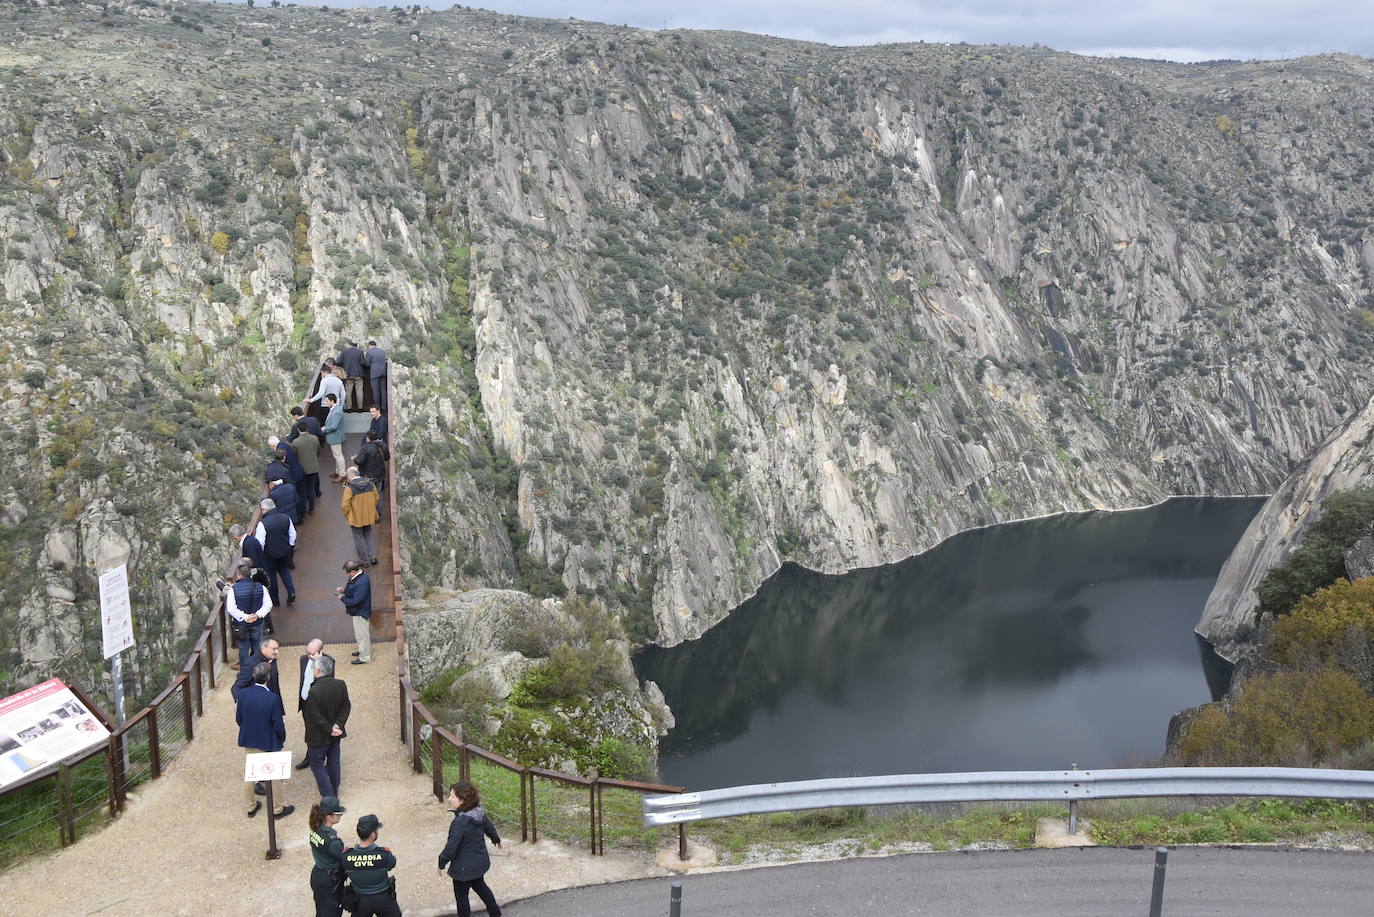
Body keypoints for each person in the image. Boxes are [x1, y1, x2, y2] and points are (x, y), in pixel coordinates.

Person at [236, 661, 294, 820]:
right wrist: (281, 738)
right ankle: (277, 808)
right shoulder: (272, 698)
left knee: (251, 774)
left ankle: (250, 806)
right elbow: (277, 723)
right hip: (268, 741)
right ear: (268, 677)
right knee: (274, 776)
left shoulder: (243, 694)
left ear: (253, 676)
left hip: (249, 739)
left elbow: (239, 718)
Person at [437, 780, 503, 917]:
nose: (449, 799)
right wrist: (495, 839)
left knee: (461, 897)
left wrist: (441, 862)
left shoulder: (460, 822)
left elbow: (451, 847)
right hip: (478, 862)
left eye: (452, 796)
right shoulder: (479, 811)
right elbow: (488, 826)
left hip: (463, 869)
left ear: (462, 800)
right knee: (481, 887)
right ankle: (496, 913)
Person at [304, 654, 350, 799]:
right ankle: (334, 793)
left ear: (317, 671)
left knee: (317, 765)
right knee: (334, 763)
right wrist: (338, 725)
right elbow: (346, 705)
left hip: (319, 737)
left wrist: (330, 728)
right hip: (335, 734)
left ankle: (329, 797)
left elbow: (316, 716)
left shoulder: (314, 691)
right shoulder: (340, 684)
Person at [342, 814, 400, 917]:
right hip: (383, 899)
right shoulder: (384, 855)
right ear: (373, 835)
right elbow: (392, 863)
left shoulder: (346, 857)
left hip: (360, 900)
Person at [224, 563, 271, 670]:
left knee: (243, 646)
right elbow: (268, 605)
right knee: (257, 645)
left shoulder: (233, 589)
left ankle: (244, 668)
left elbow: (231, 608)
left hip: (241, 624)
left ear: (239, 575)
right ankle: (258, 666)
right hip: (257, 622)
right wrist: (257, 615)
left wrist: (245, 617)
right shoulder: (261, 587)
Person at [297, 639, 334, 770]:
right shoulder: (303, 659)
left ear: (320, 652)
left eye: (312, 654)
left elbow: (326, 682)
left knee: (322, 729)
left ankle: (323, 758)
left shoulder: (329, 662)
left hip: (318, 703)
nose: (309, 656)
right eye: (308, 652)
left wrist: (317, 662)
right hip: (305, 701)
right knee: (309, 730)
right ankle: (310, 757)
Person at [309, 796, 348, 917]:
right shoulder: (333, 842)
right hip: (330, 881)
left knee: (321, 909)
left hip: (318, 875)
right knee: (332, 912)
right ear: (329, 816)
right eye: (337, 814)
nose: (340, 816)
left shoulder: (315, 829)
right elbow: (344, 859)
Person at [256, 498, 297, 606]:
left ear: (264, 510)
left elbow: (260, 542)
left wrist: (261, 556)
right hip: (284, 551)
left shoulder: (263, 524)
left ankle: (275, 600)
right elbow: (292, 534)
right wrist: (290, 547)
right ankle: (291, 592)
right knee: (284, 571)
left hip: (270, 555)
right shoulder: (286, 518)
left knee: (272, 576)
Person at [341, 466, 379, 567]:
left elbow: (345, 505)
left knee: (359, 538)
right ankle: (373, 556)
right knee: (368, 534)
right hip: (369, 515)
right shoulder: (370, 484)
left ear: (351, 475)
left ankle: (364, 561)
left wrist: (348, 515)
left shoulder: (349, 488)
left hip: (356, 517)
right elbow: (376, 498)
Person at [337, 560, 372, 665]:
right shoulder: (359, 577)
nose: (346, 575)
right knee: (359, 634)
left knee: (362, 636)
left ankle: (365, 657)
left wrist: (342, 598)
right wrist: (344, 590)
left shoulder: (361, 582)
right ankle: (362, 650)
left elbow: (356, 600)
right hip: (358, 611)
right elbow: (353, 590)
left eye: (347, 573)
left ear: (353, 571)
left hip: (360, 611)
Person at [232, 636, 282, 702]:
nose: (277, 652)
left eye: (277, 649)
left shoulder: (272, 660)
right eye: (274, 649)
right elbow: (236, 687)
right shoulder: (250, 664)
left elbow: (275, 686)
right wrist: (241, 704)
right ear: (263, 647)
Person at [292, 422, 322, 516]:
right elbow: (318, 450)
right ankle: (312, 509)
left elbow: (294, 456)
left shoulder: (295, 442)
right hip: (313, 467)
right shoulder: (314, 438)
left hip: (302, 469)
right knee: (311, 488)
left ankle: (303, 510)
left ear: (298, 430)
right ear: (307, 429)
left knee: (303, 490)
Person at [321, 393, 347, 481]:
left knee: (338, 456)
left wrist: (324, 429)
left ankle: (342, 474)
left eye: (327, 401)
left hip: (335, 437)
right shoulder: (334, 409)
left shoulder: (336, 411)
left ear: (332, 401)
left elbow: (334, 426)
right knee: (336, 455)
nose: (326, 403)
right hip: (335, 436)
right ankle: (338, 471)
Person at [339, 342, 367, 410]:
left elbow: (339, 362)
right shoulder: (360, 352)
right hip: (358, 375)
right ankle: (360, 408)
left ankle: (349, 408)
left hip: (348, 374)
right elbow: (363, 363)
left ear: (350, 346)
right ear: (356, 346)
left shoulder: (344, 352)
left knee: (348, 392)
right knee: (359, 391)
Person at [363, 340, 387, 410]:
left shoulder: (370, 352)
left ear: (370, 345)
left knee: (375, 390)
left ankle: (377, 407)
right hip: (383, 372)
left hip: (374, 373)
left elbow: (367, 364)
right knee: (383, 390)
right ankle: (384, 407)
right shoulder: (382, 351)